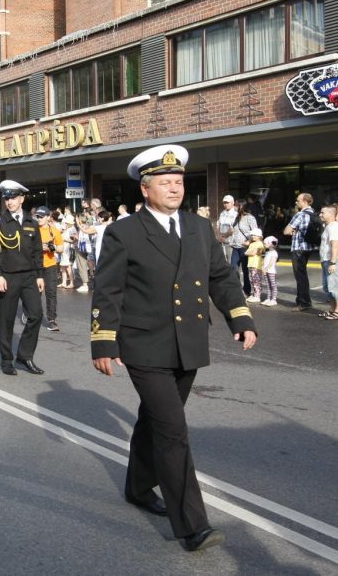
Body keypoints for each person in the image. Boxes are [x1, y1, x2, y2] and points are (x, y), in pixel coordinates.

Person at [91, 144, 257, 552]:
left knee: (155, 420)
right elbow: (108, 289)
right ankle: (193, 526)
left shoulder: (199, 228)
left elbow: (221, 276)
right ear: (145, 189)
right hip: (144, 345)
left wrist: (241, 317)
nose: (174, 188)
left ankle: (136, 486)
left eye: (179, 182)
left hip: (188, 344)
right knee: (173, 432)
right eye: (165, 182)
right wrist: (103, 341)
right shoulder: (124, 231)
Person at [0, 180, 45, 376]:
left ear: (22, 198)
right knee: (7, 319)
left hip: (29, 276)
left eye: (13, 197)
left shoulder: (32, 223)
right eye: (7, 198)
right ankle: (6, 359)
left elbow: (37, 251)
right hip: (9, 276)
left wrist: (40, 276)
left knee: (36, 315)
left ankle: (25, 355)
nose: (10, 202)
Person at [283, 193, 316, 311]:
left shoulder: (300, 214)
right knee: (303, 275)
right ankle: (305, 300)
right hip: (308, 248)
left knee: (300, 276)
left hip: (298, 248)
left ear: (305, 202)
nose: (296, 203)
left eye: (298, 201)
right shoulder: (313, 214)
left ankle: (303, 302)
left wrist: (293, 231)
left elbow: (286, 231)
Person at [35, 206, 64, 332]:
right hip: (35, 265)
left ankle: (51, 320)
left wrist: (52, 247)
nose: (39, 219)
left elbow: (61, 248)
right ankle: (32, 314)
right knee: (35, 293)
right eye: (38, 216)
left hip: (50, 265)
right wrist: (39, 247)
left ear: (48, 217)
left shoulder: (54, 231)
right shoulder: (33, 229)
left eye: (41, 216)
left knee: (51, 293)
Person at [228, 199, 257, 296]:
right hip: (235, 247)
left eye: (236, 205)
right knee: (233, 268)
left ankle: (246, 290)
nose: (234, 207)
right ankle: (236, 289)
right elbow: (233, 231)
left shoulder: (250, 218)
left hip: (245, 247)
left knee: (245, 270)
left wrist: (249, 242)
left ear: (241, 206)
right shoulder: (236, 217)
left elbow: (256, 232)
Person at [319, 204, 338, 319]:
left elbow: (335, 245)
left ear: (331, 214)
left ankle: (337, 311)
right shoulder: (328, 226)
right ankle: (332, 309)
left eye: (322, 213)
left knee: (334, 287)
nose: (320, 214)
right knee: (328, 288)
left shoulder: (334, 227)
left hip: (331, 261)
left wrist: (333, 263)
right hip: (325, 260)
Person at [244, 228, 266, 303]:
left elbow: (252, 253)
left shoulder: (260, 244)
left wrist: (249, 252)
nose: (253, 236)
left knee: (256, 281)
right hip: (251, 264)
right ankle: (254, 295)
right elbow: (247, 252)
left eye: (254, 235)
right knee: (252, 280)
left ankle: (257, 296)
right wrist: (249, 252)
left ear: (259, 236)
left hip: (256, 265)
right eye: (252, 235)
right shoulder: (252, 243)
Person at [216, 194, 237, 263]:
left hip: (231, 242)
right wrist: (219, 236)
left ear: (232, 203)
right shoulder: (222, 213)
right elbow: (218, 225)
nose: (225, 204)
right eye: (224, 202)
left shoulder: (236, 213)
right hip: (222, 240)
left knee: (230, 261)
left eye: (227, 202)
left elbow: (233, 228)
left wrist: (224, 236)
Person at [261, 236, 278, 306]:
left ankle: (273, 299)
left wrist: (266, 269)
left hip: (271, 271)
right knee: (268, 285)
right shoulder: (268, 252)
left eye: (265, 243)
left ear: (270, 244)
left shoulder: (274, 253)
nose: (264, 245)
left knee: (273, 285)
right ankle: (268, 298)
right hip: (266, 271)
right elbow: (264, 261)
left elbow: (271, 263)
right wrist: (262, 267)